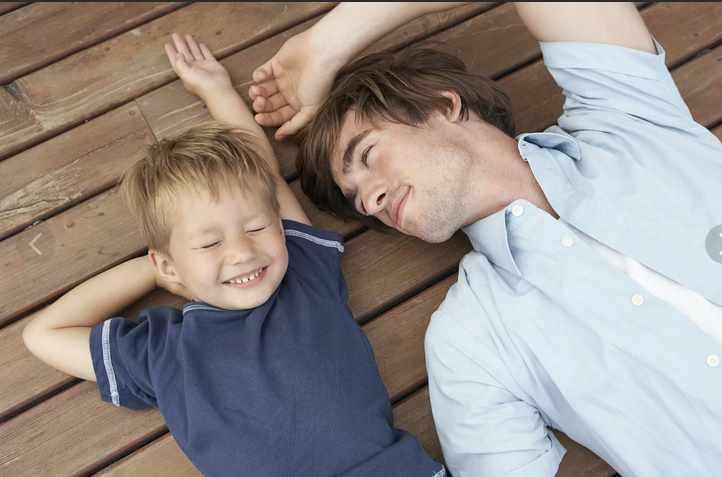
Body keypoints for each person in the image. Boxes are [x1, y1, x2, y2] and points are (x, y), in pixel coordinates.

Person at [248, 2, 722, 476]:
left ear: (444, 106)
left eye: (367, 156)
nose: (370, 199)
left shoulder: (628, 119)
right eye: (358, 200)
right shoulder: (473, 342)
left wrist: (327, 44)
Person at [21, 32, 446, 477]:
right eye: (209, 243)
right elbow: (44, 334)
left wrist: (217, 92)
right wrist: (154, 273)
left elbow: (265, 179)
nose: (242, 252)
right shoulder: (165, 352)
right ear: (169, 264)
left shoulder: (301, 272)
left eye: (256, 228)